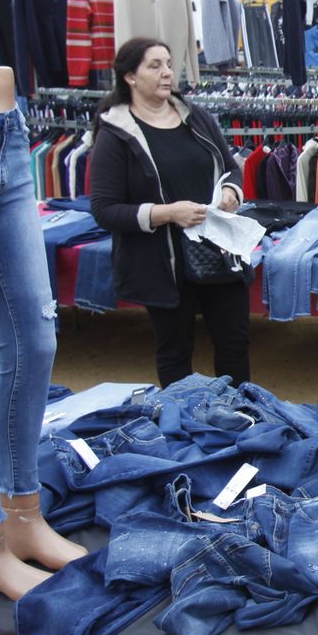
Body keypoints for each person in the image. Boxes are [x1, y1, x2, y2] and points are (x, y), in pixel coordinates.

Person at [89, 37, 249, 388]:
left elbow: (230, 166)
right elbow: (104, 210)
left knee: (234, 345)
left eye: (168, 64)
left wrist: (230, 191)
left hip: (217, 250)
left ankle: (244, 422)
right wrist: (167, 213)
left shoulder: (195, 116)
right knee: (175, 351)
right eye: (155, 66)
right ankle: (184, 431)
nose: (167, 73)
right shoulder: (116, 134)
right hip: (161, 262)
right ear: (130, 77)